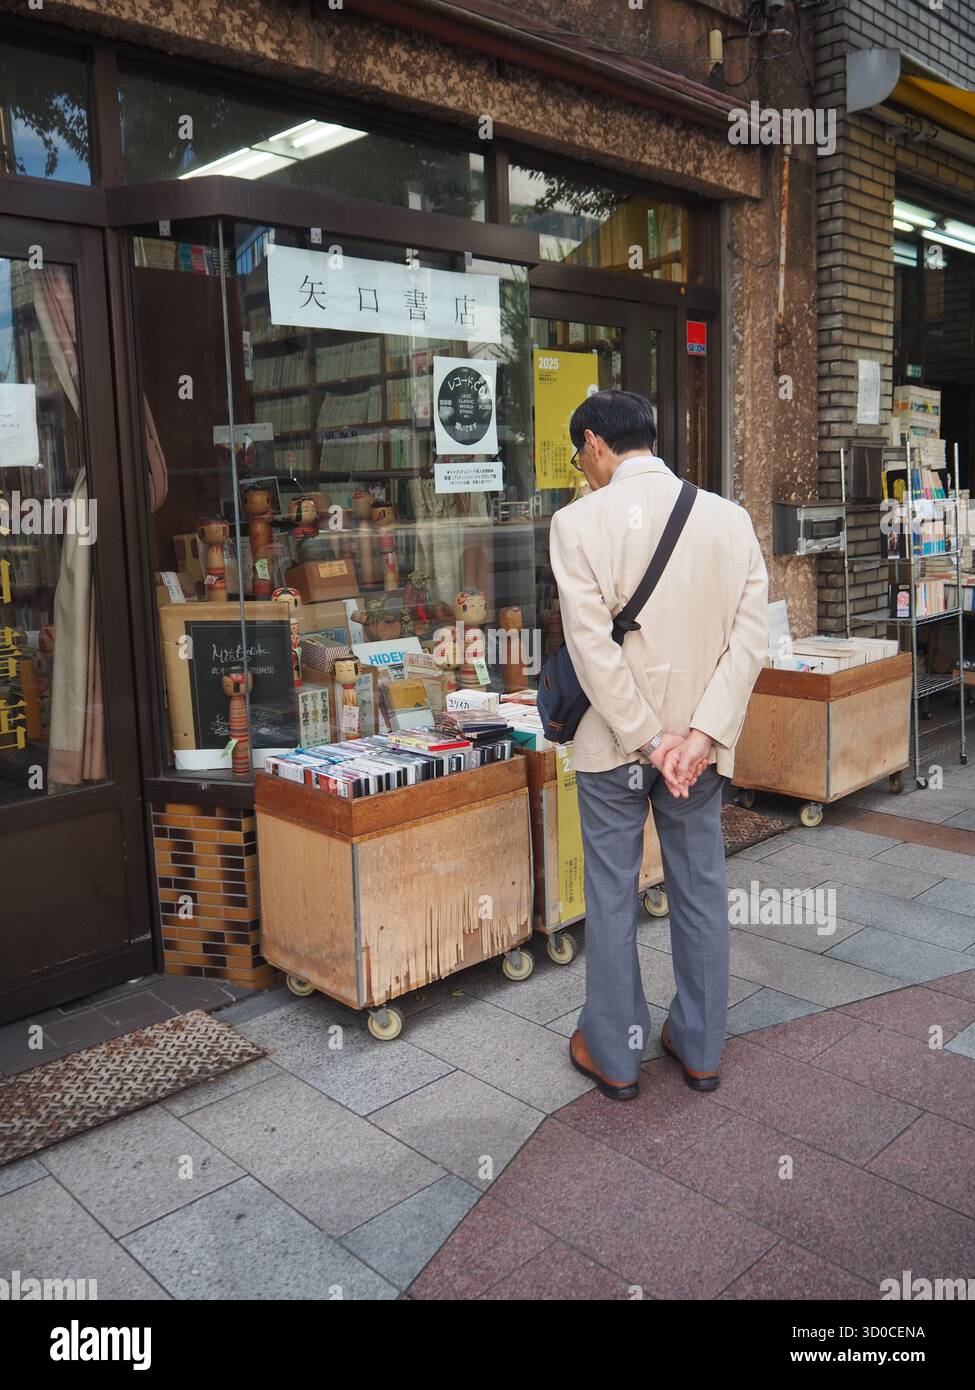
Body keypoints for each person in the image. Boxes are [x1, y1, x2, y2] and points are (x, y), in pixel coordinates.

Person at [548, 390, 768, 1101]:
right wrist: (697, 737)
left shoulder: (576, 523)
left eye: (579, 455)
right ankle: (700, 1049)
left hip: (615, 744)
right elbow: (749, 641)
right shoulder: (729, 519)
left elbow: (591, 649)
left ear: (594, 443)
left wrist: (648, 740)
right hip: (696, 752)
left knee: (612, 894)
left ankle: (616, 1056)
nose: (583, 468)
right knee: (700, 887)